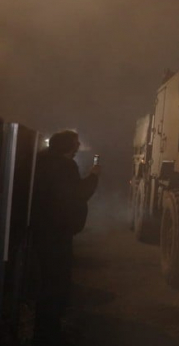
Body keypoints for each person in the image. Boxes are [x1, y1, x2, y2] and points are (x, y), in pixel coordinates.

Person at [31, 130, 100, 345]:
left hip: (42, 230)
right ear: (68, 146)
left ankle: (45, 329)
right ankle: (48, 333)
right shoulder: (63, 166)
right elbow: (78, 193)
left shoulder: (41, 160)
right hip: (56, 234)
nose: (79, 146)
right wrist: (94, 176)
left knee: (46, 281)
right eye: (76, 143)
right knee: (55, 284)